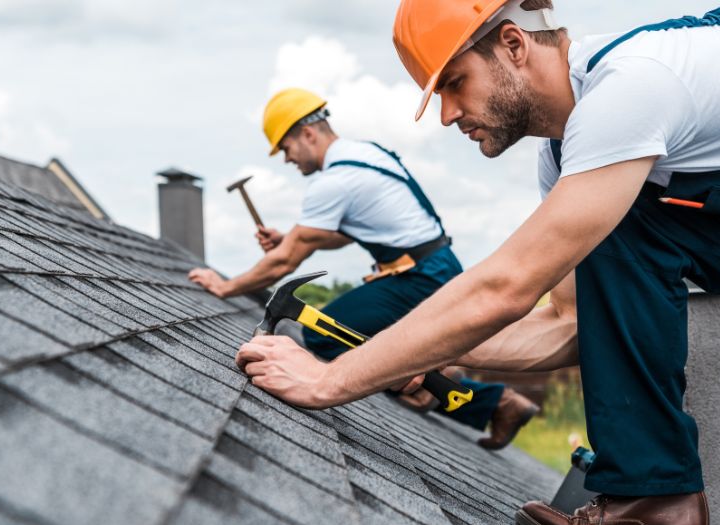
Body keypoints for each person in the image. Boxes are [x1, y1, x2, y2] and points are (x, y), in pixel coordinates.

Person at [235, 2, 720, 525]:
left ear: (514, 45)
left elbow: (507, 287)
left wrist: (332, 379)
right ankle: (654, 497)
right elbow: (565, 326)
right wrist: (399, 359)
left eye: (454, 84)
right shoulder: (573, 160)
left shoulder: (632, 85)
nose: (445, 115)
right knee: (627, 226)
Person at [189, 87, 538, 449]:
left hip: (418, 277)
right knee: (371, 340)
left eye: (286, 148)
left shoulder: (335, 180)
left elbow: (286, 261)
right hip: (432, 267)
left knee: (324, 335)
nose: (287, 160)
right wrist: (290, 239)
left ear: (307, 133)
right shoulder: (365, 155)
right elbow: (340, 235)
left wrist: (225, 286)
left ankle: (470, 394)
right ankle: (469, 393)